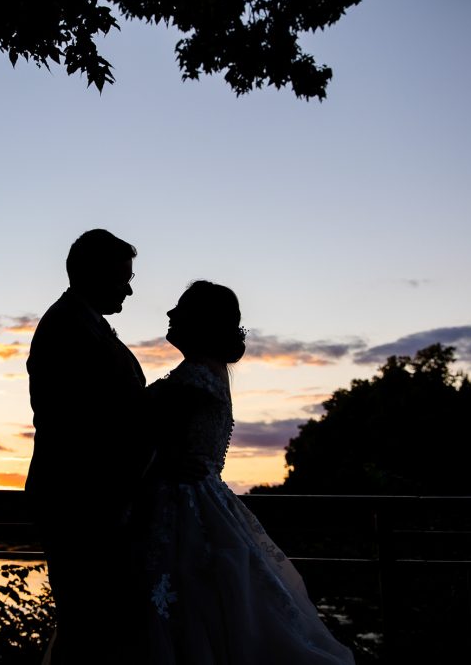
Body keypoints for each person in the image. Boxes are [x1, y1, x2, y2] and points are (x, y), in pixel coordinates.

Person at [130, 280, 356, 664]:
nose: (170, 315)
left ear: (201, 321)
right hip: (203, 499)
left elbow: (135, 431)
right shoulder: (206, 372)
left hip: (182, 506)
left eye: (180, 308)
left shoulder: (196, 377)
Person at [25, 228, 151, 664]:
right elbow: (83, 426)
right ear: (93, 274)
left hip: (95, 503)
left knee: (95, 628)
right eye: (123, 278)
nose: (131, 289)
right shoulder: (67, 329)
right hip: (82, 504)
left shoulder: (86, 323)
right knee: (87, 628)